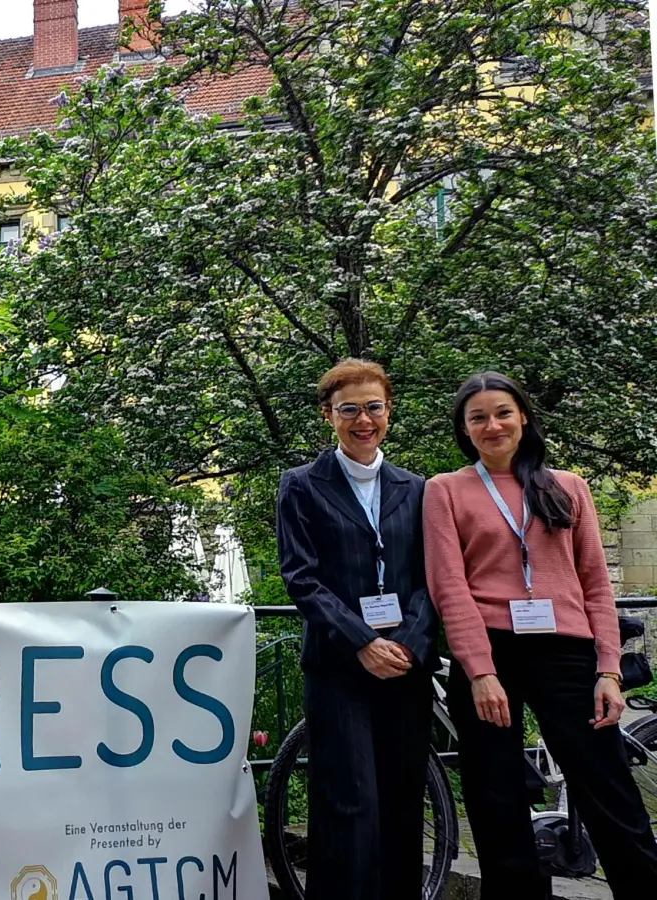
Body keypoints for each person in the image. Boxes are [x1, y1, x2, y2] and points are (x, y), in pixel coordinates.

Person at [424, 372, 657, 898]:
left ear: (523, 417)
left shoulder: (567, 487)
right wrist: (480, 672)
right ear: (465, 429)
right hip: (489, 654)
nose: (492, 425)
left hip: (566, 652)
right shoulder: (445, 490)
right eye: (477, 417)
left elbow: (596, 584)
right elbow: (449, 587)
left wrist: (609, 669)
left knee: (609, 789)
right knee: (495, 797)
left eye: (502, 412)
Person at [276, 359, 439, 900]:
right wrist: (362, 641)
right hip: (339, 664)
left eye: (374, 407)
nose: (363, 419)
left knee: (400, 796)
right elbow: (301, 577)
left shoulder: (417, 489)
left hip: (405, 665)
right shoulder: (301, 485)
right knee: (349, 800)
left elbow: (430, 577)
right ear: (330, 415)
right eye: (350, 409)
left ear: (389, 411)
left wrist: (409, 646)